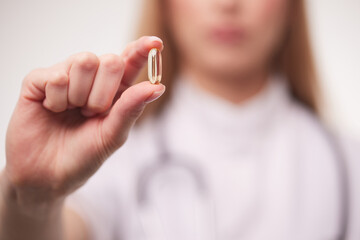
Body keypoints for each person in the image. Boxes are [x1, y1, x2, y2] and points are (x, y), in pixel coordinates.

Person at [0, 0, 359, 239]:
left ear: (292, 8)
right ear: (165, 6)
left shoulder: (348, 164)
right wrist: (34, 198)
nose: (227, 4)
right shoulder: (107, 155)